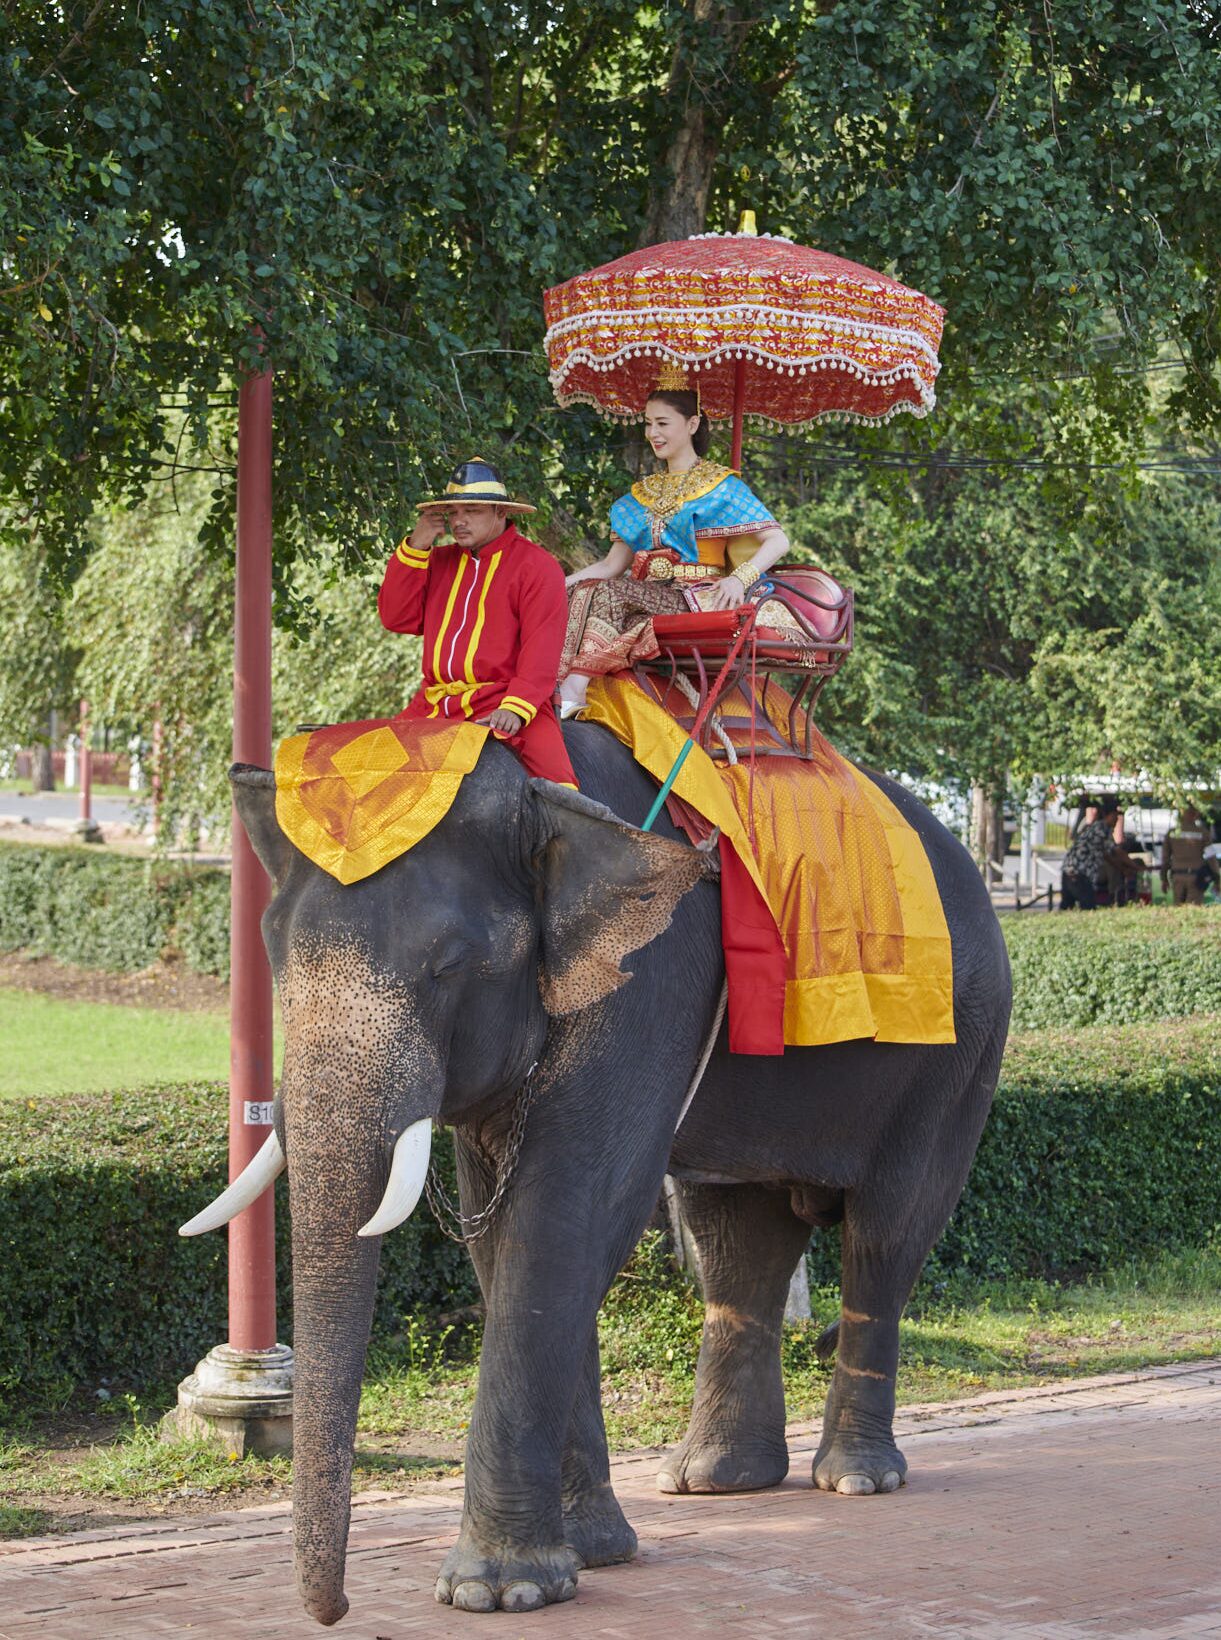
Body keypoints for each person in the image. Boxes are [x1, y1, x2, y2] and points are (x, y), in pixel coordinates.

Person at [557, 364, 793, 714]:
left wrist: (738, 579)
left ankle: (574, 686)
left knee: (608, 593)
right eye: (648, 423)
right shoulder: (641, 494)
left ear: (692, 424)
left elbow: (778, 540)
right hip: (646, 594)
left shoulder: (722, 486)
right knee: (582, 590)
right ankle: (553, 680)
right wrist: (557, 585)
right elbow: (610, 565)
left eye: (663, 423)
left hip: (696, 597)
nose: (653, 433)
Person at [378, 457, 578, 787]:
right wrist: (417, 545)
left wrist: (515, 708)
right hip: (435, 703)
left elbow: (541, 650)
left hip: (505, 701)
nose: (459, 521)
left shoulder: (537, 566)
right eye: (453, 512)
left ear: (500, 511)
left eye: (471, 510)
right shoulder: (436, 560)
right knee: (370, 768)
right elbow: (396, 618)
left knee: (560, 790)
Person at [1059, 796, 1136, 910]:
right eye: (1115, 816)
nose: (1116, 820)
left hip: (1068, 871)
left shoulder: (1095, 828)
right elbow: (1117, 851)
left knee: (1067, 907)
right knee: (1088, 907)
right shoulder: (1102, 828)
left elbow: (1107, 855)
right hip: (1080, 874)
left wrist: (1122, 869)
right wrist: (1135, 866)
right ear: (1107, 815)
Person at [1161, 807, 1215, 905]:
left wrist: (1164, 879)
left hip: (1177, 876)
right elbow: (1211, 857)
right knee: (1193, 909)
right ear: (1196, 815)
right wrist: (1217, 879)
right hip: (1196, 877)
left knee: (1178, 909)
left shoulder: (1171, 833)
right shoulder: (1203, 833)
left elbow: (1165, 859)